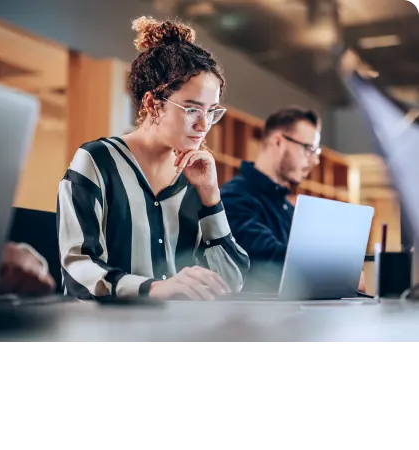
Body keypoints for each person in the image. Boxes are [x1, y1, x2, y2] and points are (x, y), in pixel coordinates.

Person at [57, 16, 249, 301]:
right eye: (192, 109)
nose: (204, 125)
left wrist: (210, 196)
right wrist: (154, 289)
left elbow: (232, 282)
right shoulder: (97, 161)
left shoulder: (195, 176)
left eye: (211, 112)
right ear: (152, 104)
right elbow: (78, 271)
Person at [221, 106, 323, 291]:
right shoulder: (233, 197)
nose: (314, 161)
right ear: (278, 142)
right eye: (309, 149)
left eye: (316, 152)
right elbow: (267, 257)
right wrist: (333, 272)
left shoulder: (287, 208)